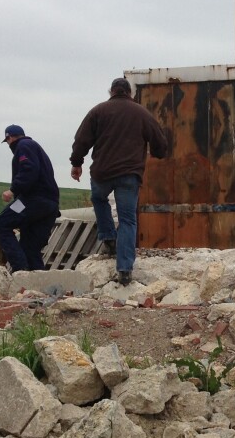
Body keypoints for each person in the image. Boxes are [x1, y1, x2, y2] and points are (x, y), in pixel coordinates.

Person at [71, 76, 170, 286]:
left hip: (102, 172)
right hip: (128, 174)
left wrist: (76, 163)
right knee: (127, 220)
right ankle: (124, 269)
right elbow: (160, 142)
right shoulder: (141, 113)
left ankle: (107, 237)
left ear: (111, 91)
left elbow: (81, 140)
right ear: (130, 93)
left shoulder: (97, 111)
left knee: (98, 199)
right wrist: (159, 153)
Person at [0, 124, 60, 272]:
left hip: (33, 200)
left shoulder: (24, 146)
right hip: (50, 205)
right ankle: (36, 286)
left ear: (9, 138)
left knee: (1, 224)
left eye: (7, 141)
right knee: (30, 247)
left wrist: (12, 190)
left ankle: (20, 270)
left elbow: (29, 170)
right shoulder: (34, 146)